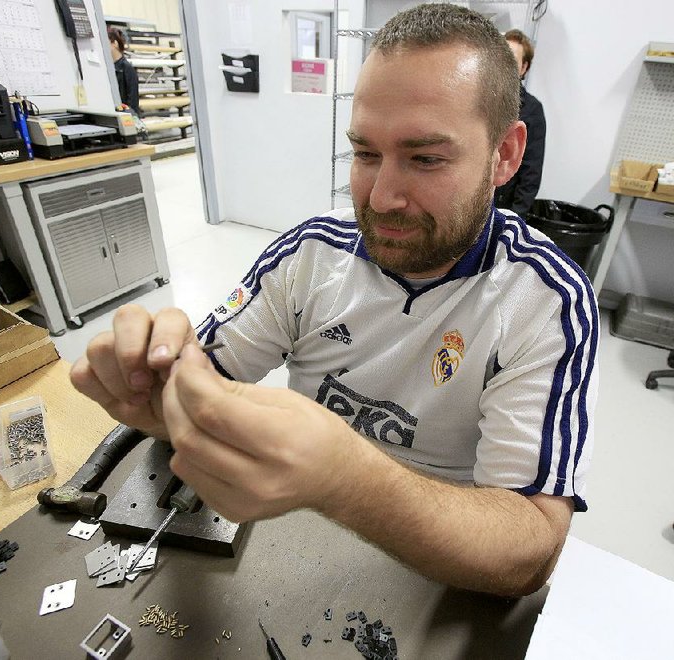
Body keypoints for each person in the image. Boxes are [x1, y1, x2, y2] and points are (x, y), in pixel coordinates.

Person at [72, 4, 597, 597]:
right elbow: (205, 378)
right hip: (290, 556)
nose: (382, 197)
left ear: (504, 155)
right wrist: (158, 385)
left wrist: (344, 478)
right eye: (366, 154)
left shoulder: (545, 302)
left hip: (441, 575)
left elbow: (527, 553)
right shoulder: (311, 255)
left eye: (425, 158)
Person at [494, 28, 546, 217]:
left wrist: (514, 219)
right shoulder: (476, 99)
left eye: (512, 61)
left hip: (502, 210)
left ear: (523, 68)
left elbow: (531, 174)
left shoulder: (532, 110)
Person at [108, 27, 140, 117]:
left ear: (115, 43)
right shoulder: (108, 68)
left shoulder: (127, 68)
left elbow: (133, 103)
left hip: (125, 117)